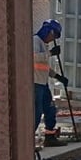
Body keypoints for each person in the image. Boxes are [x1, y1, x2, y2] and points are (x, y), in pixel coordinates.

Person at [33, 19, 68, 147]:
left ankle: (50, 136)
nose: (53, 38)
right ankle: (28, 140)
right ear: (49, 31)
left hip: (43, 83)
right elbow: (34, 57)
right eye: (54, 35)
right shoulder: (35, 41)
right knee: (36, 113)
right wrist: (51, 53)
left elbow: (44, 67)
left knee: (50, 109)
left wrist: (58, 76)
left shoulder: (43, 44)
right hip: (35, 83)